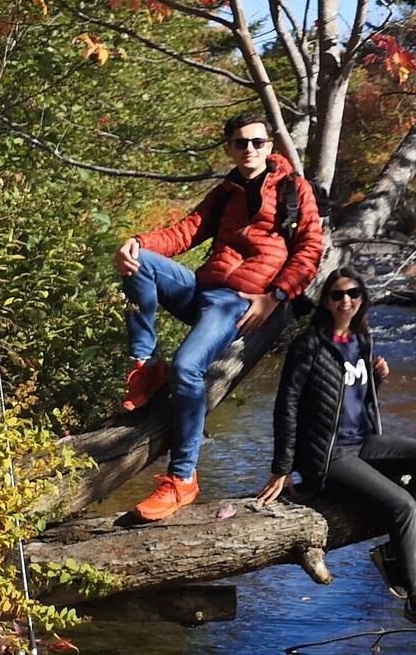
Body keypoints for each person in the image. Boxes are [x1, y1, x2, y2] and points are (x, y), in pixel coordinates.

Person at [114, 113, 324, 521]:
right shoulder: (225, 193)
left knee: (189, 367)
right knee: (140, 262)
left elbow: (310, 250)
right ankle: (146, 365)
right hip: (203, 289)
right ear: (229, 148)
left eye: (258, 142)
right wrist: (137, 241)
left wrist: (275, 297)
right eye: (241, 143)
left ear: (270, 146)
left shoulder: (293, 190)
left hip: (240, 300)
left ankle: (183, 478)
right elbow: (185, 231)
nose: (250, 149)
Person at [258, 267, 416, 637]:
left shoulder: (361, 340)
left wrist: (377, 381)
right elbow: (286, 405)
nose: (345, 300)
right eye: (337, 295)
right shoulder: (309, 345)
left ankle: (394, 555)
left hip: (363, 443)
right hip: (327, 456)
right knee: (401, 504)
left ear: (362, 297)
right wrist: (282, 467)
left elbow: (355, 402)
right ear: (326, 301)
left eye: (352, 293)